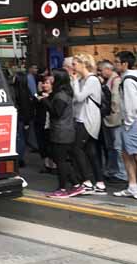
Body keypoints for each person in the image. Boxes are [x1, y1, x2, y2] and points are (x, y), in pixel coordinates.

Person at [41, 69, 84, 197]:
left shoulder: (61, 95)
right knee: (60, 160)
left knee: (60, 161)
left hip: (61, 132)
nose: (50, 79)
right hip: (64, 130)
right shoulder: (63, 93)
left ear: (58, 79)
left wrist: (44, 100)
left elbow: (56, 113)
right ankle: (76, 185)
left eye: (53, 77)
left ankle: (62, 189)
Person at [71, 53, 107, 194]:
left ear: (83, 64)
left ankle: (87, 182)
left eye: (75, 64)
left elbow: (79, 97)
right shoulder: (84, 79)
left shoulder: (91, 80)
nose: (73, 67)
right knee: (90, 151)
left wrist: (74, 81)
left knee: (77, 148)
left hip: (87, 119)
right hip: (84, 117)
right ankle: (99, 183)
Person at [114, 51, 137, 198]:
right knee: (128, 155)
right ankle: (133, 186)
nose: (114, 64)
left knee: (130, 155)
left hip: (132, 123)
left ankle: (133, 186)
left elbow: (131, 105)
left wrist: (127, 125)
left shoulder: (128, 80)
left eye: (117, 62)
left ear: (125, 64)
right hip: (133, 122)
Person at [100, 60, 127, 183]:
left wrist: (113, 113)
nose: (100, 73)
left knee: (116, 147)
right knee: (112, 147)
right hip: (110, 118)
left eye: (101, 70)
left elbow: (116, 100)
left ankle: (120, 173)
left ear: (107, 69)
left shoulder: (115, 80)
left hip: (113, 119)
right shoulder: (111, 80)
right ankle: (113, 170)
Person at [13, 71, 34, 167]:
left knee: (18, 138)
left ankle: (16, 158)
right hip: (23, 118)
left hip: (17, 117)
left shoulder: (13, 91)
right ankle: (20, 158)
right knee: (21, 138)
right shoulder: (26, 92)